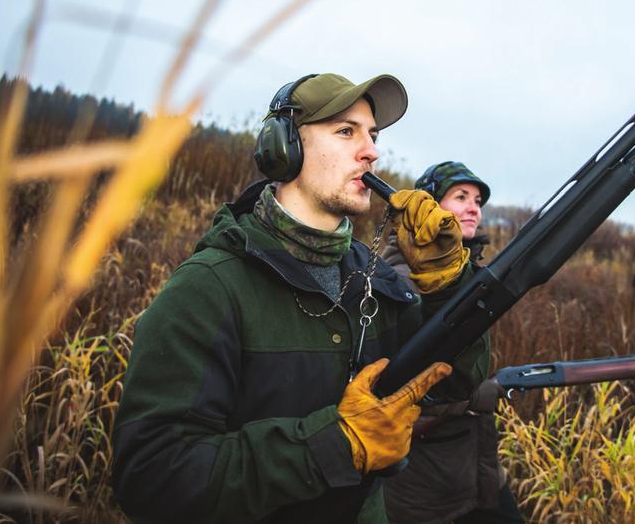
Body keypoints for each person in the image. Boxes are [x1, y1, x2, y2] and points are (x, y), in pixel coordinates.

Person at [111, 73, 470, 523]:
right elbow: (151, 477)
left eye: (373, 135)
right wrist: (335, 447)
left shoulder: (376, 279)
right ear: (284, 149)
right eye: (346, 131)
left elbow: (452, 385)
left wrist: (447, 286)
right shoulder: (209, 288)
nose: (372, 151)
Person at [382, 162, 523, 523]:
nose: (474, 207)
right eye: (460, 197)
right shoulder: (401, 277)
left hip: (472, 468)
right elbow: (401, 383)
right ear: (426, 205)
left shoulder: (466, 277)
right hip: (426, 484)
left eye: (477, 200)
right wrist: (479, 395)